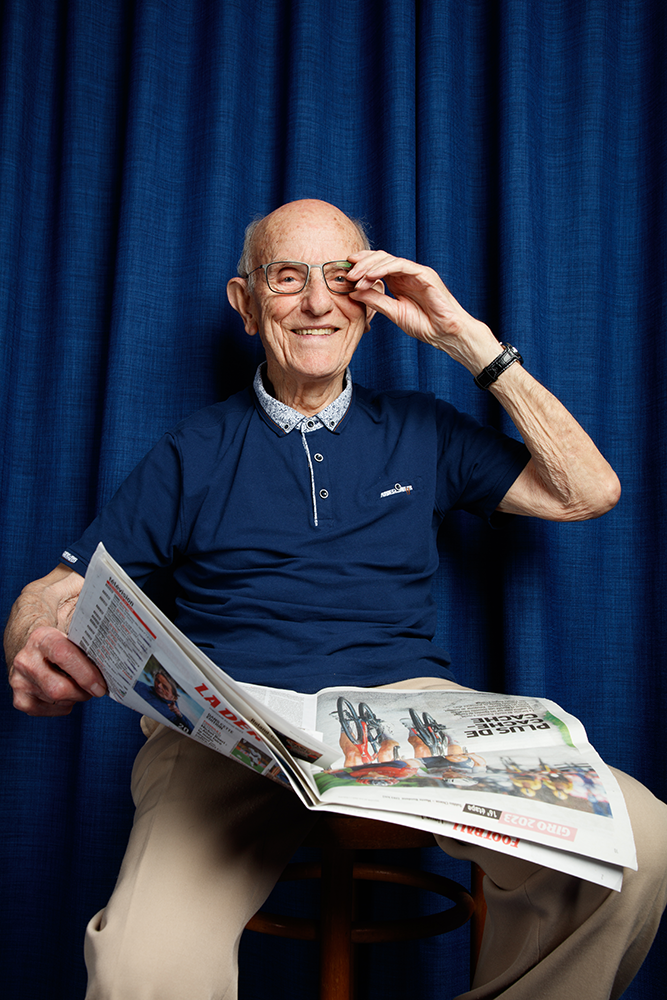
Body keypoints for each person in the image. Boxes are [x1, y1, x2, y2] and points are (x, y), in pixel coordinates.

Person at [4, 199, 666, 1000]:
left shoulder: (423, 428)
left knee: (636, 840)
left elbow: (587, 491)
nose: (318, 303)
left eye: (341, 279)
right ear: (246, 304)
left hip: (407, 716)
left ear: (370, 300)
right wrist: (32, 638)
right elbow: (58, 586)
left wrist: (463, 337)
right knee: (142, 968)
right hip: (231, 725)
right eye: (287, 278)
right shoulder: (191, 450)